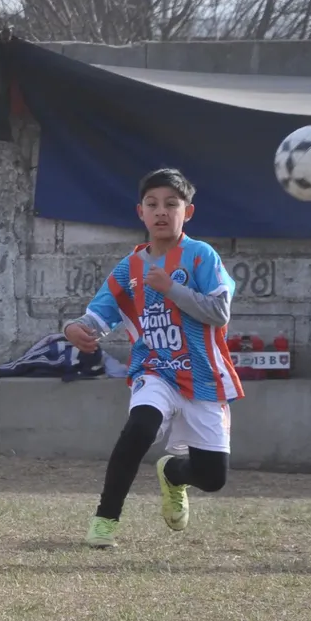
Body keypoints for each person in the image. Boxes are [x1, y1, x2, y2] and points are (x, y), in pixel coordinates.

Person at [62, 168, 244, 549]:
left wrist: (171, 288)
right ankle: (105, 520)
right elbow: (98, 315)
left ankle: (175, 474)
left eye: (171, 204)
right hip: (154, 370)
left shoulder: (201, 256)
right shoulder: (129, 267)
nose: (161, 212)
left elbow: (218, 312)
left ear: (187, 212)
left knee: (213, 478)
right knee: (140, 428)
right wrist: (75, 328)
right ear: (140, 212)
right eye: (152, 204)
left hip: (203, 377)